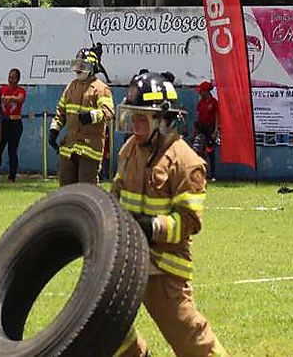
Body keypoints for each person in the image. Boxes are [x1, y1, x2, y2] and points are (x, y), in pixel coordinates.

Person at [110, 72, 227, 357]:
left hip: (164, 264)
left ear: (162, 120)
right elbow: (115, 197)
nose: (134, 126)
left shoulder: (186, 162)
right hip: (128, 256)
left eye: (141, 119)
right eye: (132, 117)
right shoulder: (129, 151)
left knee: (189, 338)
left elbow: (190, 222)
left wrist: (150, 227)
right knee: (106, 325)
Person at [48, 48, 114, 186]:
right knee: (66, 190)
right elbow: (61, 111)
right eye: (77, 65)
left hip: (89, 149)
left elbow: (108, 111)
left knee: (86, 191)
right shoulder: (71, 86)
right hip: (69, 148)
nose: (78, 69)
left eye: (82, 66)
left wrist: (92, 116)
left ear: (92, 68)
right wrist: (54, 130)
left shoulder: (101, 89)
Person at [0, 68, 26, 183]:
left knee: (12, 151)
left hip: (15, 124)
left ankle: (12, 176)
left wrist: (8, 98)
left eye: (13, 77)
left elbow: (20, 99)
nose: (10, 80)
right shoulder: (2, 89)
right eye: (9, 77)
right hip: (4, 123)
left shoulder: (21, 91)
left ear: (18, 79)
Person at [192, 80, 219, 180]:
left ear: (206, 91)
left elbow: (217, 117)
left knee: (210, 151)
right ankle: (200, 174)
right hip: (201, 127)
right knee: (199, 151)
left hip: (210, 127)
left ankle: (213, 175)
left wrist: (215, 131)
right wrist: (195, 131)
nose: (200, 93)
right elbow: (198, 117)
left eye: (201, 91)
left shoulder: (214, 102)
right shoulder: (201, 102)